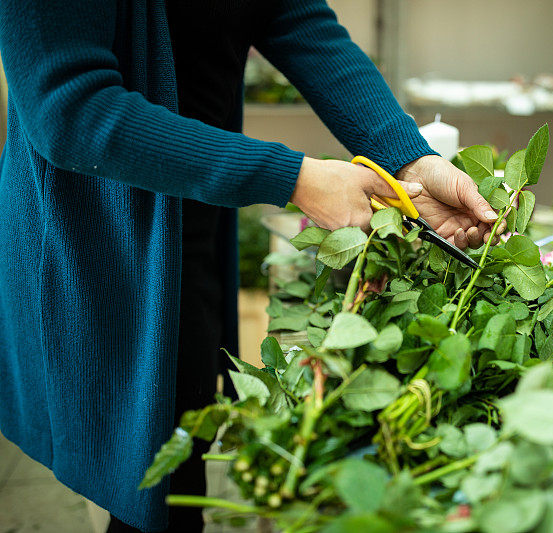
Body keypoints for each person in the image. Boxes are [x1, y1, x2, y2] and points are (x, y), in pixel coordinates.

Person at [0, 1, 501, 532]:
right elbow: (70, 109)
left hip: (194, 219)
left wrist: (410, 159)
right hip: (103, 241)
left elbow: (292, 14)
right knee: (148, 468)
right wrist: (296, 179)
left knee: (183, 433)